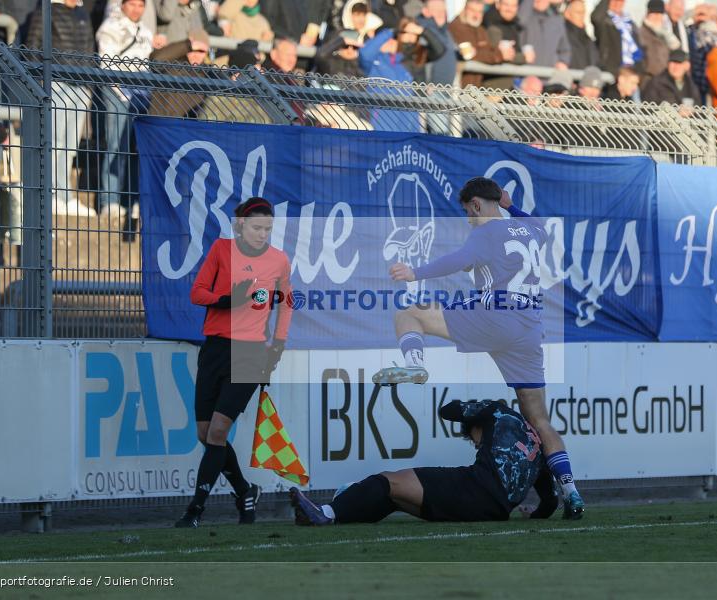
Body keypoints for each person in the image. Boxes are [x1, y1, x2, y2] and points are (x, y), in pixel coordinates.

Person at [371, 177, 585, 520]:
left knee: (409, 313)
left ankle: (414, 362)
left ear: (475, 205)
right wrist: (509, 204)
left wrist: (415, 273)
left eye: (468, 212)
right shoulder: (530, 231)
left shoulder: (484, 233)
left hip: (493, 320)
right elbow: (538, 225)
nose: (468, 219)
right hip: (528, 330)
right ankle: (571, 492)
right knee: (539, 419)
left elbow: (457, 260)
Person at [175, 197, 293, 528]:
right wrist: (226, 300)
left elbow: (287, 303)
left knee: (218, 431)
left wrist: (279, 343)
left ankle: (194, 511)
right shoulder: (221, 250)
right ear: (239, 225)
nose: (263, 234)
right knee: (205, 433)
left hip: (251, 354)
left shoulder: (279, 261)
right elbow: (197, 293)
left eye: (268, 228)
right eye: (257, 227)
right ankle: (244, 489)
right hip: (214, 350)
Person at [290, 399, 558, 524]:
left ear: (477, 426)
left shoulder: (497, 412)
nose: (477, 444)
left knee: (388, 480)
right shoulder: (540, 448)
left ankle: (326, 513)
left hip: (475, 488)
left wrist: (468, 408)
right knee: (395, 497)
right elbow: (550, 502)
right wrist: (531, 515)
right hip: (494, 512)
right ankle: (341, 513)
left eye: (475, 440)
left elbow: (448, 410)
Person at [24, 0, 95, 217]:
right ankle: (51, 193)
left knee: (70, 145)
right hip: (56, 83)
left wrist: (89, 83)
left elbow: (90, 48)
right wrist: (39, 84)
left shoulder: (83, 13)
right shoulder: (46, 10)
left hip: (81, 85)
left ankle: (66, 195)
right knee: (53, 141)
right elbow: (32, 47)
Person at [95, 0, 154, 223]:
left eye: (141, 5)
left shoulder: (145, 31)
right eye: (132, 4)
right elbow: (106, 63)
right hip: (117, 93)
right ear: (122, 5)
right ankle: (109, 200)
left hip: (141, 96)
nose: (137, 9)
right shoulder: (110, 26)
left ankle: (129, 200)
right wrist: (121, 92)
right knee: (116, 147)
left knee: (134, 150)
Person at [448, 0, 505, 88]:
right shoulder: (455, 27)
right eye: (472, 10)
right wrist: (499, 55)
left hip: (477, 88)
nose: (476, 15)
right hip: (458, 88)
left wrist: (495, 54)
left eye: (479, 12)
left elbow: (491, 51)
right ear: (464, 10)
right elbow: (468, 54)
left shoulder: (481, 30)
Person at [592, 0, 644, 75]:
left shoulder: (629, 22)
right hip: (614, 70)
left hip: (632, 70)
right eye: (614, 1)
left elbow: (638, 46)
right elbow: (596, 17)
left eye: (620, 1)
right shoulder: (605, 21)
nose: (617, 3)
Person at [520, 0, 571, 73]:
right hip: (526, 75)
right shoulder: (524, 15)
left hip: (549, 75)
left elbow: (564, 48)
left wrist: (563, 61)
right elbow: (520, 21)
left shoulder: (556, 18)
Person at [640, 0, 681, 87]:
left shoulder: (665, 34)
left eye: (660, 14)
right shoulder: (641, 33)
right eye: (654, 14)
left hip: (664, 81)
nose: (657, 17)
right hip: (647, 81)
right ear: (648, 14)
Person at [564, 0, 598, 70]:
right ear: (567, 14)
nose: (582, 16)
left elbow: (597, 63)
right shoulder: (563, 37)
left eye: (584, 12)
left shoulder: (588, 39)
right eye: (578, 13)